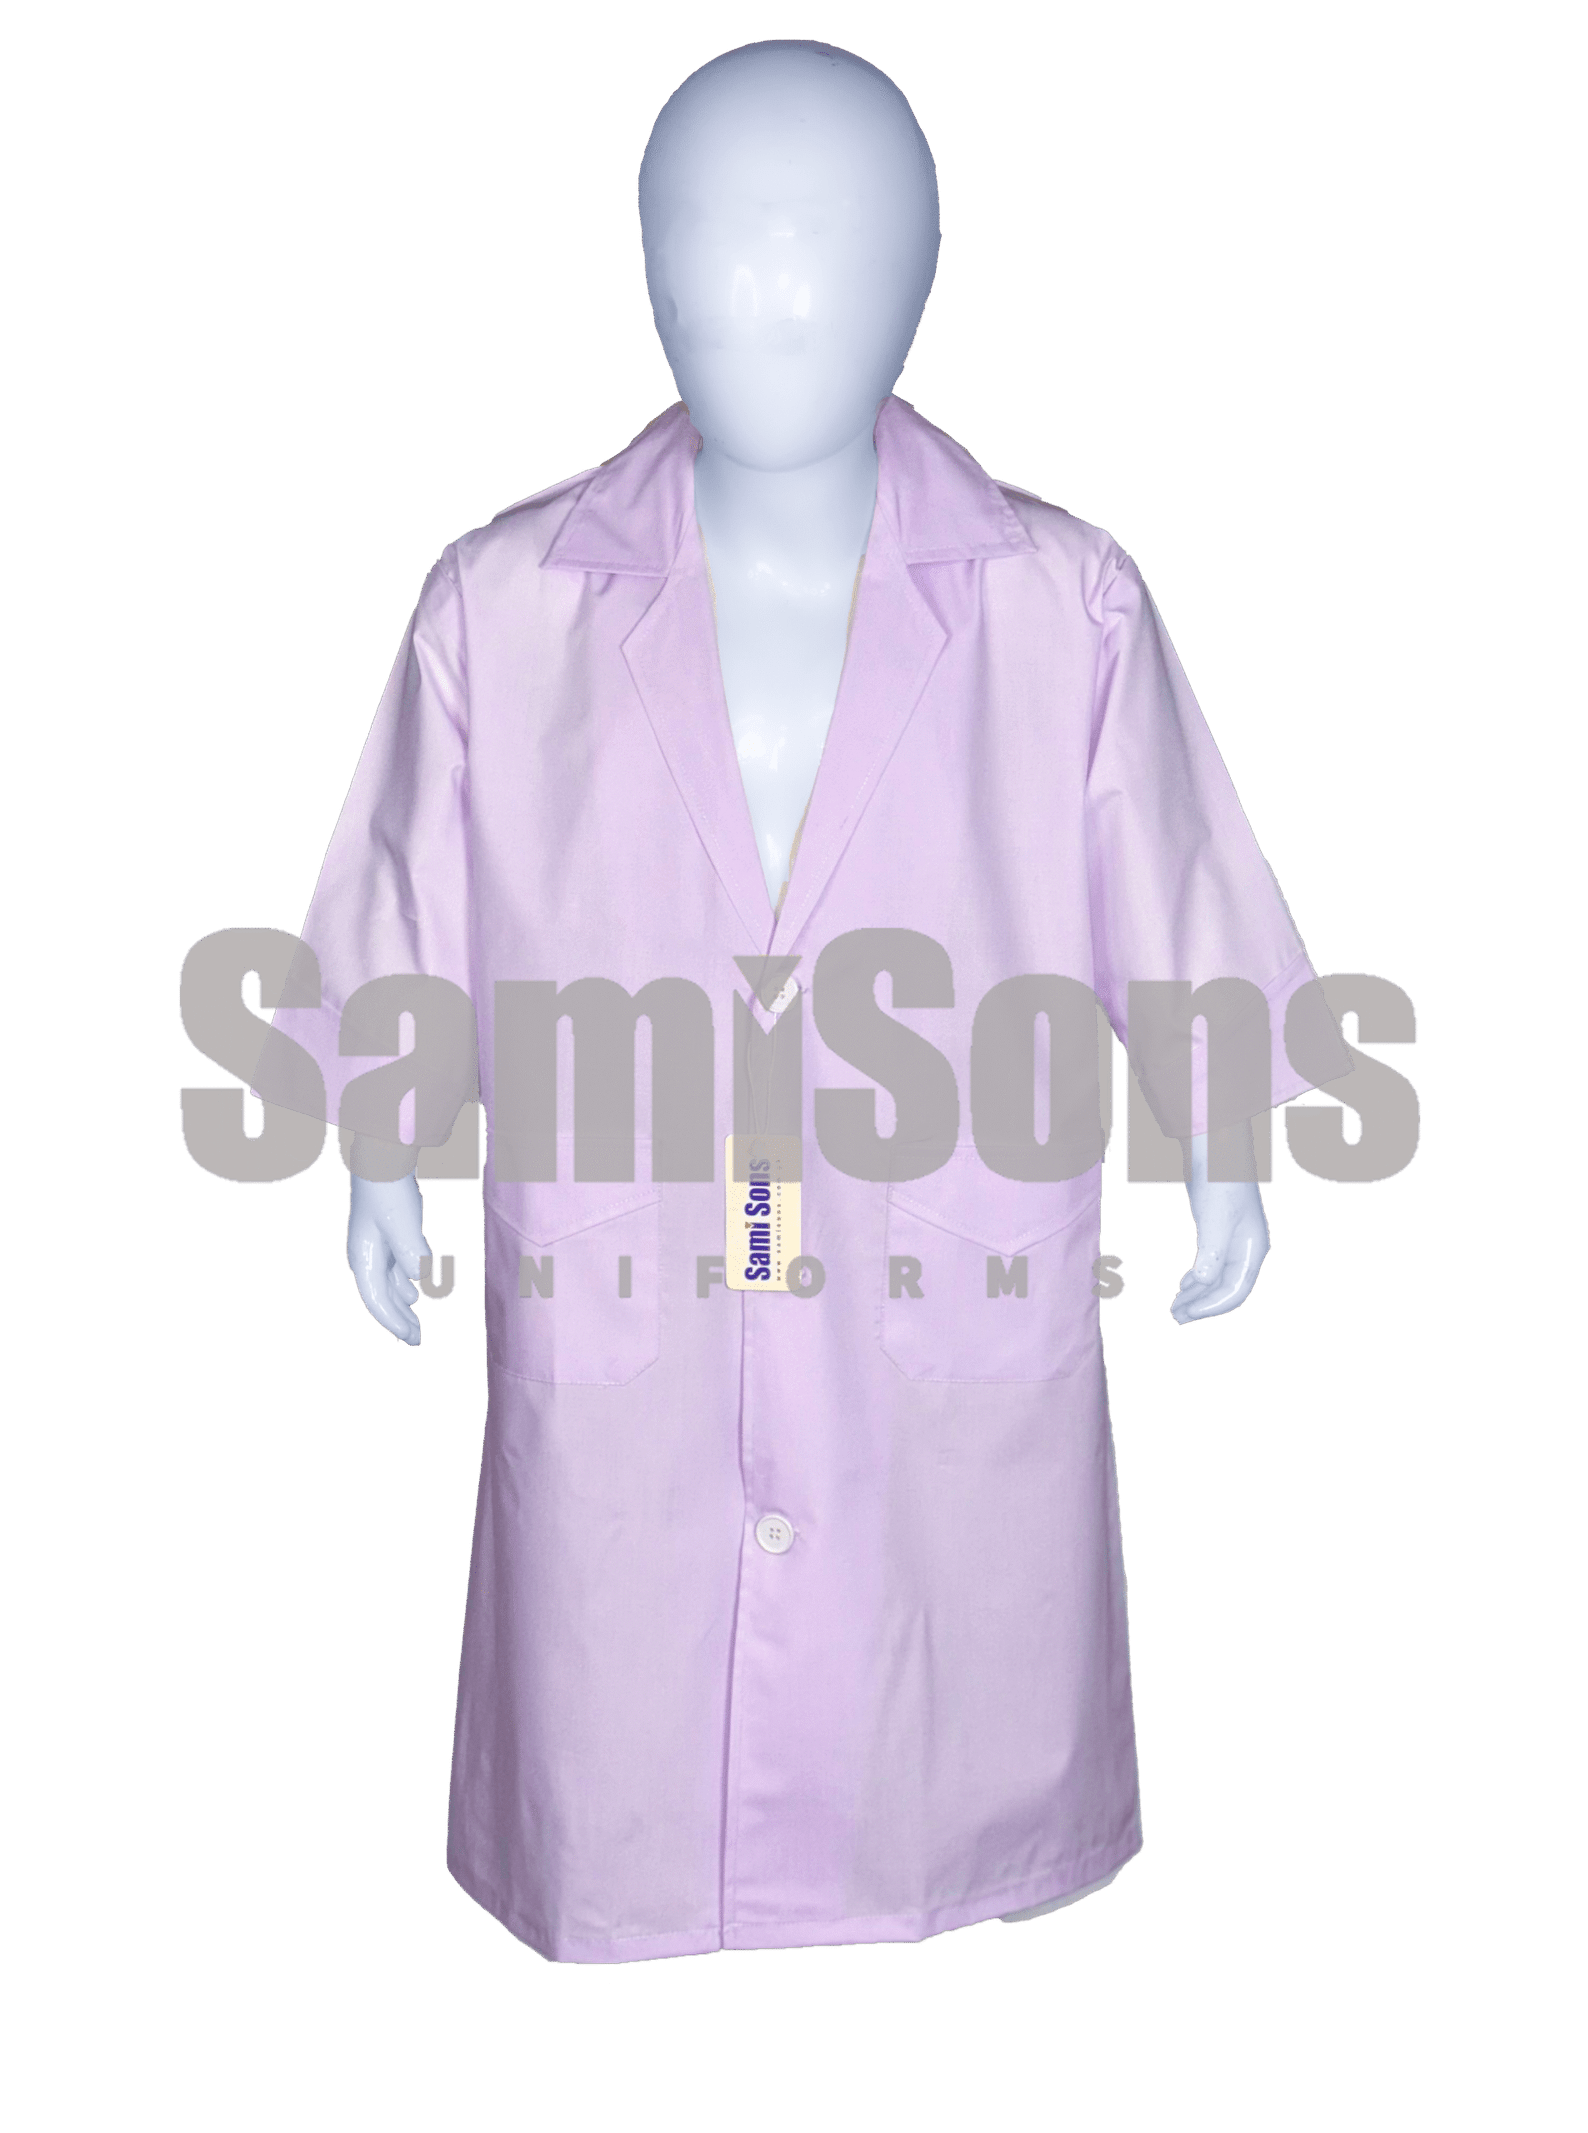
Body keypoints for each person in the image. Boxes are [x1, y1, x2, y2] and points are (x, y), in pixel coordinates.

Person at [269, 39, 1340, 1962]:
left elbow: (1174, 882)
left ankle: (959, 1847)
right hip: (630, 1279)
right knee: (619, 1667)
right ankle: (640, 1861)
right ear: (644, 267)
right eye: (712, 243)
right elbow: (402, 899)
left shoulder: (1061, 602)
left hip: (940, 1271)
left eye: (828, 245)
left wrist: (1225, 1142)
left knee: (945, 1680)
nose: (768, 295)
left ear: (921, 274)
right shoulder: (502, 604)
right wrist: (380, 1150)